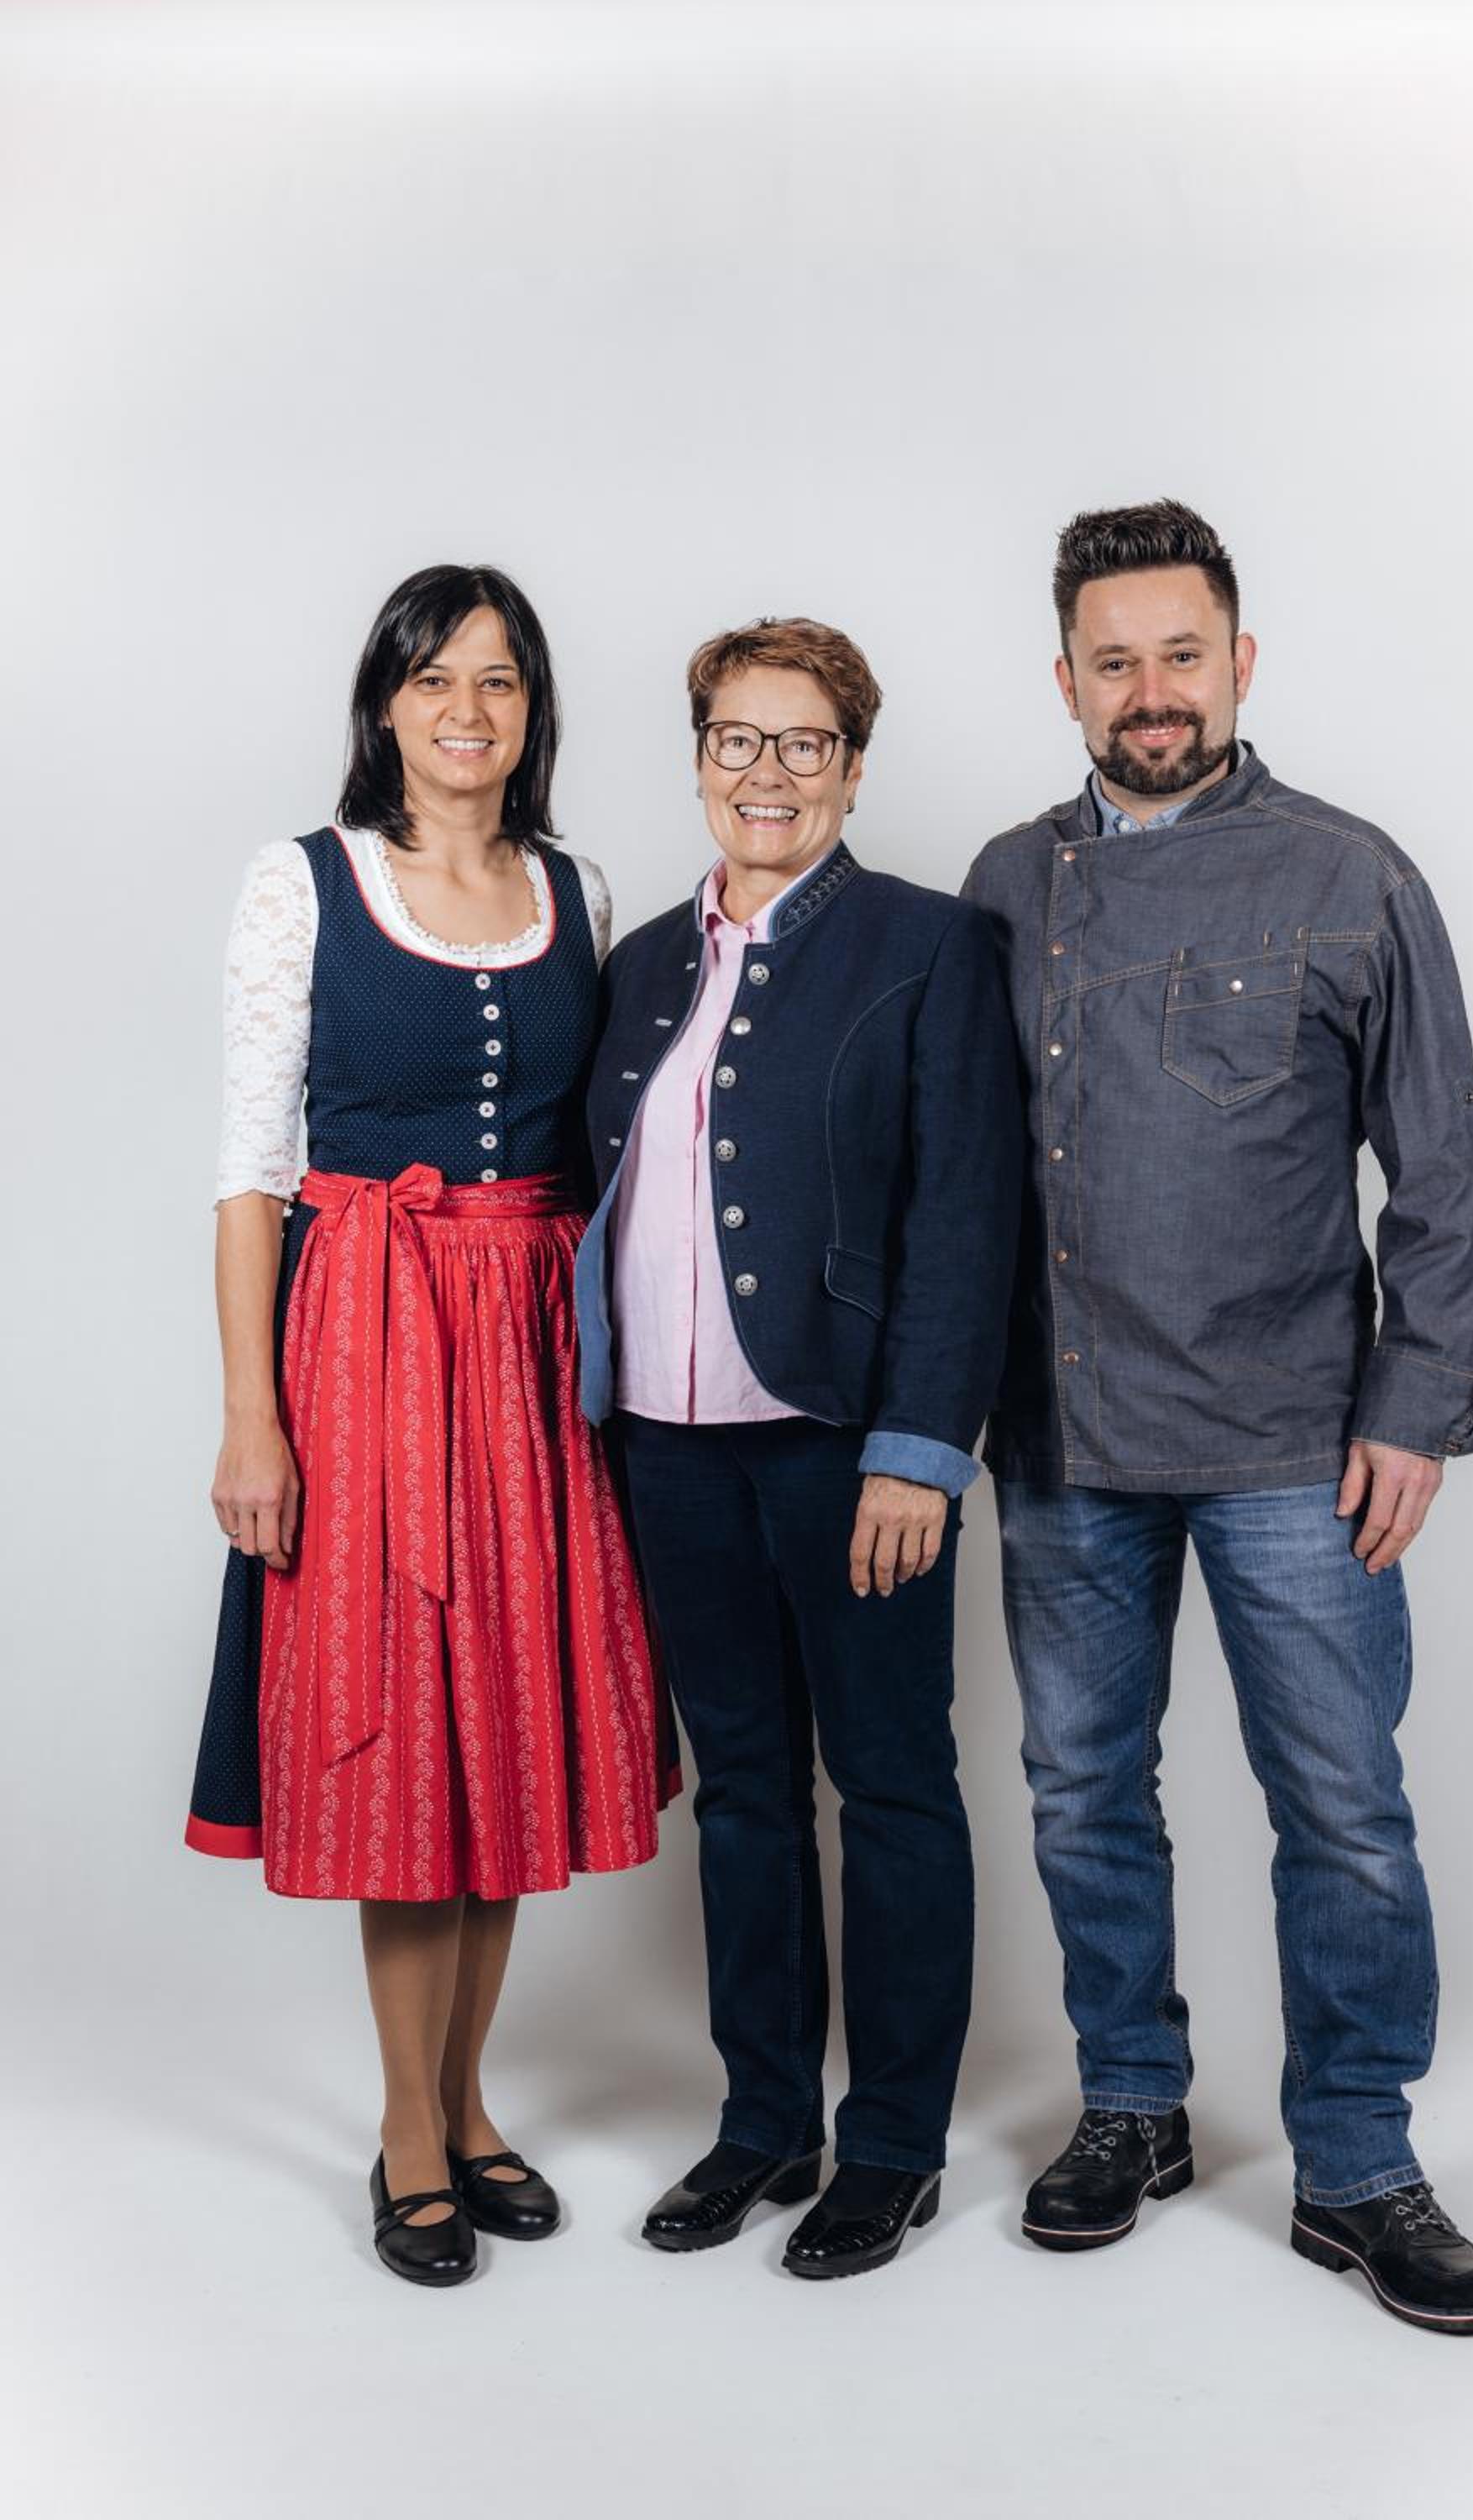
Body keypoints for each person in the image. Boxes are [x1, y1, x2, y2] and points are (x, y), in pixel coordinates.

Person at [962, 501, 1473, 2335]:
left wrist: (1414, 1411)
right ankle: (1132, 2104)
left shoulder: (1352, 875)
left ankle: (1356, 2160)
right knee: (1079, 1792)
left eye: (1181, 654)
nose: (1152, 692)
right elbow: (950, 1177)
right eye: (1113, 661)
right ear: (1064, 681)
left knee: (1342, 1807)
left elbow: (1443, 1172)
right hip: (1063, 1435)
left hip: (1298, 1439)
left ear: (1241, 662)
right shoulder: (1003, 884)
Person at [186, 564, 678, 2287]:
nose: (468, 711)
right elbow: (252, 1175)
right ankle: (410, 2129)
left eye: (501, 680)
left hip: (534, 1347)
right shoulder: (303, 883)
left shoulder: (577, 888)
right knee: (405, 1733)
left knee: (506, 1722)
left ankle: (469, 2105)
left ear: (534, 711)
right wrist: (252, 1420)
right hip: (367, 1340)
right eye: (435, 679)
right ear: (384, 704)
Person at [576, 616, 1021, 2279]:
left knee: (893, 1787)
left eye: (804, 742)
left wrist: (920, 1447)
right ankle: (765, 2118)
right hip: (669, 1449)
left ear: (852, 765)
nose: (766, 772)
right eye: (736, 740)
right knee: (746, 1794)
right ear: (699, 756)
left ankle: (892, 2145)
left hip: (849, 1450)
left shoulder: (928, 944)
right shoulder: (641, 964)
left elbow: (968, 1212)